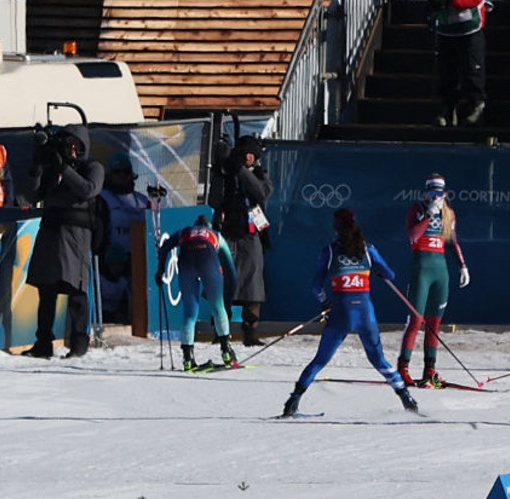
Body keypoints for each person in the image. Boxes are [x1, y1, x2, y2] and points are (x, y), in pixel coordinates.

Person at [282, 209, 418, 418]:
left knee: (320, 360)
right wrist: (379, 272)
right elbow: (390, 274)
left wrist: (325, 303)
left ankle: (292, 402)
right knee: (378, 360)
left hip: (341, 313)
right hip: (365, 313)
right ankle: (406, 398)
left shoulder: (329, 250)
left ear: (336, 227)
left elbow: (316, 288)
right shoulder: (368, 249)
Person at [22, 124, 104, 359]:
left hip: (76, 238)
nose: (71, 151)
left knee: (76, 290)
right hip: (50, 234)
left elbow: (88, 190)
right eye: (67, 146)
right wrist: (37, 167)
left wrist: (65, 169)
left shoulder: (93, 168)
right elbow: (30, 195)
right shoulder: (52, 168)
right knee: (46, 291)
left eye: (75, 147)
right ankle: (43, 343)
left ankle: (79, 343)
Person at [397, 174, 470, 387]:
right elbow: (413, 236)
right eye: (431, 193)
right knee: (415, 320)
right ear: (425, 192)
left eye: (439, 193)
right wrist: (428, 214)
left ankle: (430, 369)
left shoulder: (449, 214)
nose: (435, 197)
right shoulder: (417, 210)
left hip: (440, 270)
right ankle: (403, 368)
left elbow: (453, 241)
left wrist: (462, 265)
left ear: (445, 194)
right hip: (421, 269)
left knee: (434, 323)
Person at [156, 215, 239, 371]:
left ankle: (188, 359)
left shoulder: (183, 231)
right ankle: (226, 351)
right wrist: (228, 303)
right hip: (208, 261)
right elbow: (231, 272)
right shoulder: (216, 235)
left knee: (189, 313)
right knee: (218, 308)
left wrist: (160, 271)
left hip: (186, 263)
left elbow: (165, 247)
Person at [214, 134, 274, 347]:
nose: (248, 157)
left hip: (251, 233)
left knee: (252, 282)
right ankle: (221, 330)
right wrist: (225, 169)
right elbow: (215, 199)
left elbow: (260, 193)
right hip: (228, 232)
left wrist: (239, 170)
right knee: (223, 281)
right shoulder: (225, 175)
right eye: (244, 154)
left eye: (251, 154)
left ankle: (250, 330)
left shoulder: (259, 175)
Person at [97, 151, 149, 324]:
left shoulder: (142, 200)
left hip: (138, 262)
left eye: (125, 172)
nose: (122, 176)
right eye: (117, 172)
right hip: (112, 263)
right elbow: (99, 231)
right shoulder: (103, 199)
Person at [430, 0, 488, 127]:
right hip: (445, 27)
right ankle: (447, 110)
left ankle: (475, 108)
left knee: (472, 70)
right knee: (446, 72)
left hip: (470, 26)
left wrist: (452, 2)